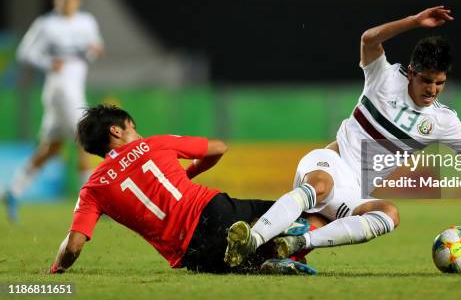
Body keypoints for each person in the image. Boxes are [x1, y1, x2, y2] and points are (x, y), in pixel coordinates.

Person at [225, 6, 461, 266]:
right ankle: (250, 241)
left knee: (390, 214)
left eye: (440, 83)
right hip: (329, 162)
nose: (432, 89)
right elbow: (369, 39)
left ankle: (297, 245)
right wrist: (415, 21)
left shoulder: (443, 121)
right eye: (427, 80)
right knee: (320, 187)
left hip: (354, 191)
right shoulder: (383, 78)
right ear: (412, 72)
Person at [48, 104, 316, 275]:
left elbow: (74, 245)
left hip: (191, 253)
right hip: (212, 210)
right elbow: (219, 147)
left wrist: (58, 266)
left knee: (232, 261)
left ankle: (262, 261)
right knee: (300, 212)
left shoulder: (93, 187)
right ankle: (283, 237)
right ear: (116, 130)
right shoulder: (155, 143)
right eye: (133, 128)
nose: (139, 134)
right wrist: (190, 173)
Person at [2, 0, 104, 222]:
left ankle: (13, 191)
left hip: (74, 88)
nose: (67, 1)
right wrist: (48, 62)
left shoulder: (86, 22)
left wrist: (95, 51)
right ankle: (91, 205)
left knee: (51, 148)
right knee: (86, 138)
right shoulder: (46, 24)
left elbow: (95, 47)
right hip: (59, 88)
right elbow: (24, 52)